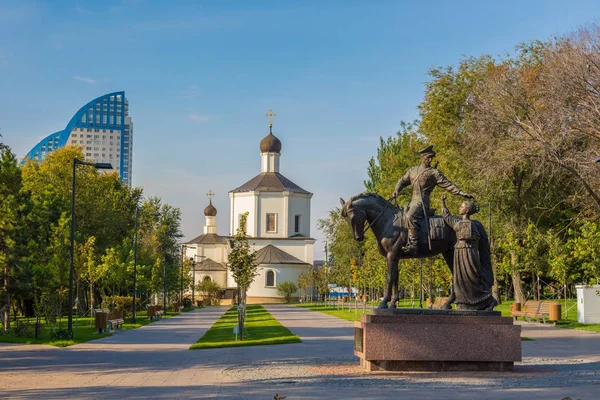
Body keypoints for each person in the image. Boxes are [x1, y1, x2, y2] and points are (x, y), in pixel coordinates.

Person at [392, 145, 475, 256]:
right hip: (412, 201)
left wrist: (461, 192)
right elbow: (402, 181)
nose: (430, 160)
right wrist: (396, 190)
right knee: (400, 217)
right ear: (422, 157)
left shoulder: (434, 173)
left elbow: (448, 185)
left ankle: (414, 245)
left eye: (431, 158)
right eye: (428, 157)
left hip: (422, 202)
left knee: (409, 216)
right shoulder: (412, 170)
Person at [440, 194, 496, 310]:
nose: (459, 208)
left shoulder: (474, 224)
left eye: (461, 206)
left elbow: (478, 239)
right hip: (459, 253)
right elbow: (446, 216)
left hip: (470, 254)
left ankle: (490, 300)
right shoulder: (457, 222)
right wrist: (442, 202)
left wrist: (470, 238)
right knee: (460, 279)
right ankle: (462, 302)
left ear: (467, 210)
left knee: (473, 277)